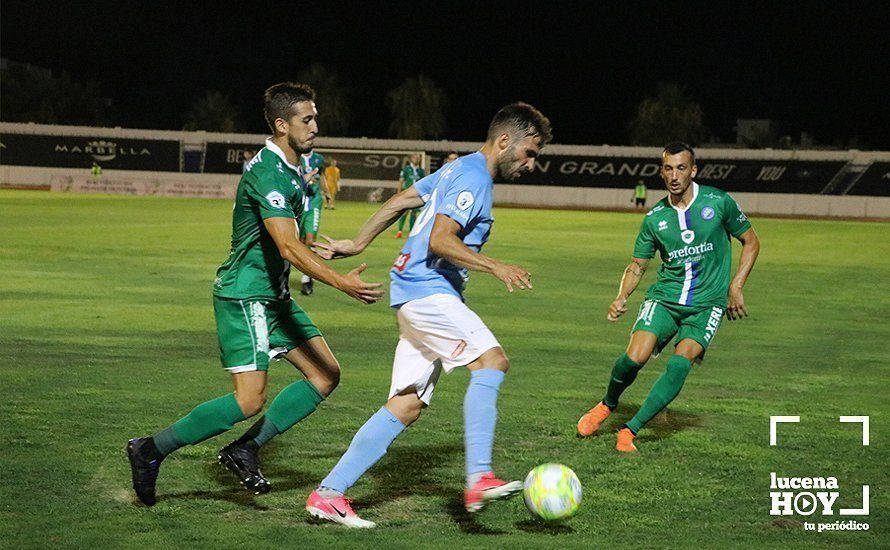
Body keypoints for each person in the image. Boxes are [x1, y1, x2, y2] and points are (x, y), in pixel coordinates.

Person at [125, 82, 383, 507]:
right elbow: (286, 246)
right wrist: (341, 282)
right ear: (282, 125)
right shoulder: (270, 172)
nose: (316, 125)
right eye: (308, 119)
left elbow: (290, 241)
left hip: (273, 297)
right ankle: (150, 450)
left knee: (325, 374)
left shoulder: (292, 167)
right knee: (249, 399)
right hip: (245, 296)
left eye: (316, 117)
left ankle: (244, 448)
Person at [306, 102, 552, 527]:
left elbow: (403, 199)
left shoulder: (457, 169)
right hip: (428, 293)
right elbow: (440, 239)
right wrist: (496, 265)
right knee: (491, 361)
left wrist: (359, 242)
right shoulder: (474, 176)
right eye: (530, 152)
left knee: (406, 405)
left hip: (413, 295)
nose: (532, 164)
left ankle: (329, 494)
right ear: (505, 140)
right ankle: (479, 476)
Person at [577, 142, 760, 452]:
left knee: (680, 362)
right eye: (668, 168)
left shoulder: (718, 202)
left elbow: (751, 242)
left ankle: (629, 430)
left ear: (693, 170)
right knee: (634, 357)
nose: (675, 175)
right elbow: (637, 265)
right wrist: (621, 296)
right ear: (661, 172)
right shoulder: (655, 218)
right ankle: (607, 404)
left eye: (681, 168)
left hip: (706, 305)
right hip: (665, 299)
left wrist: (736, 286)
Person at [298, 148, 330, 295]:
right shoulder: (294, 156)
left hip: (314, 204)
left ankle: (307, 278)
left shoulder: (319, 159)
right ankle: (282, 276)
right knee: (297, 241)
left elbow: (322, 176)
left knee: (310, 240)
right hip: (297, 203)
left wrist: (326, 191)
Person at [394, 153, 425, 238]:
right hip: (407, 193)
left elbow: (423, 182)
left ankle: (411, 232)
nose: (417, 159)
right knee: (404, 212)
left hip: (417, 195)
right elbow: (401, 181)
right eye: (415, 158)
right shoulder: (406, 169)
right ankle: (400, 230)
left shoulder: (421, 171)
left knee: (414, 213)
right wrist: (398, 193)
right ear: (411, 159)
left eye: (418, 158)